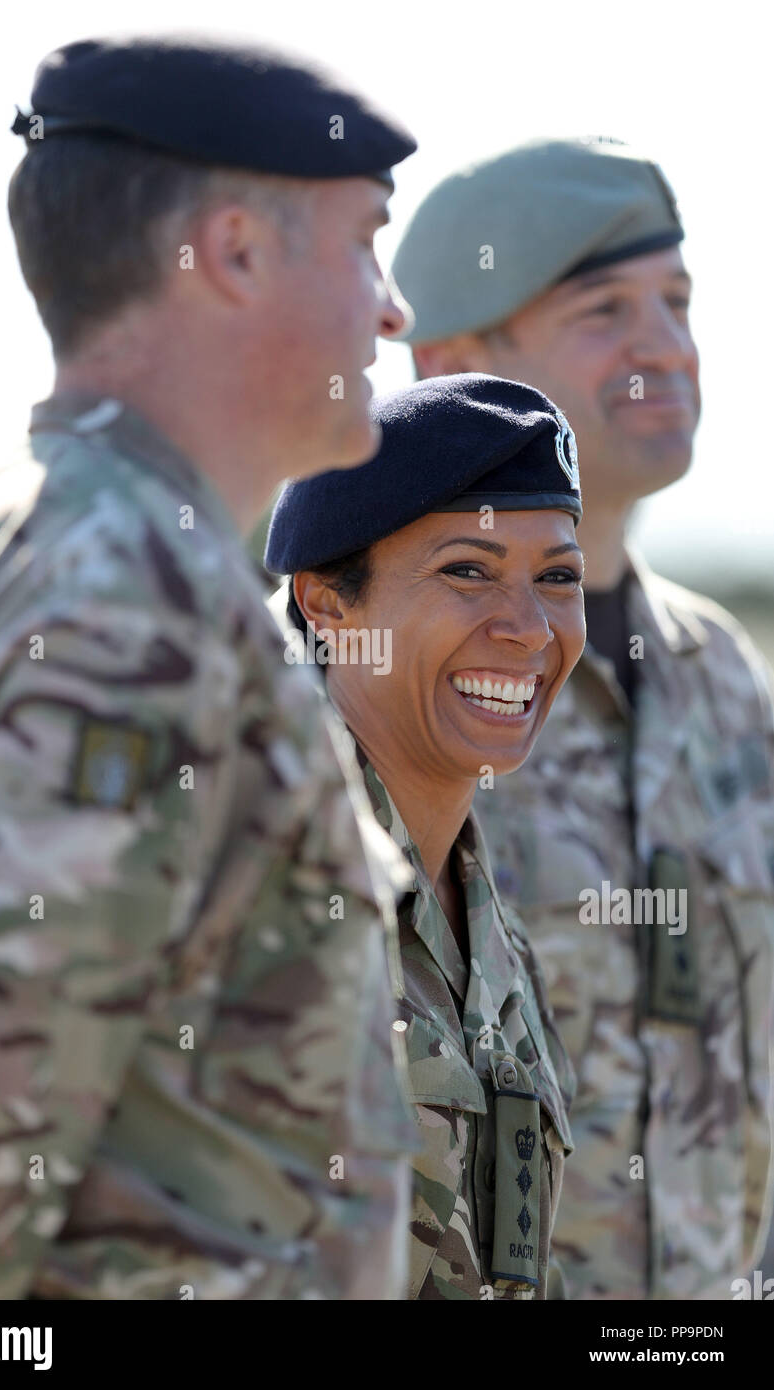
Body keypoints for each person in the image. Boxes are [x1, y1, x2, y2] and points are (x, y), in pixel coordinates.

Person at [0, 33, 421, 1301]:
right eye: (365, 243)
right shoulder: (140, 598)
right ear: (235, 252)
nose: (395, 307)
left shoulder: (6, 531)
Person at [391, 136, 774, 1299]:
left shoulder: (724, 678)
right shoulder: (362, 678)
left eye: (678, 300)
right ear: (454, 361)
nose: (666, 344)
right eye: (604, 309)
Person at [265, 373, 583, 1298]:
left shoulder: (493, 937)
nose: (526, 630)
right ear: (326, 600)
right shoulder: (245, 887)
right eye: (467, 571)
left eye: (555, 578)